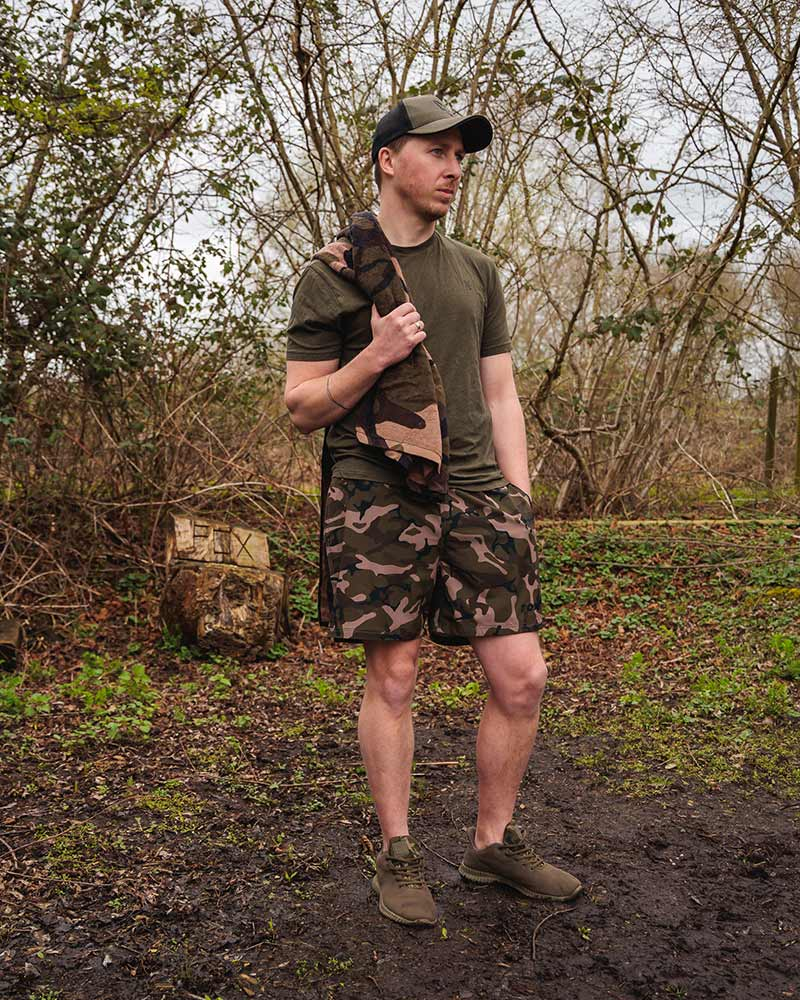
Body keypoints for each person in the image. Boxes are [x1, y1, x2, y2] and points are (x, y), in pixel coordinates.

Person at [283, 94, 582, 926]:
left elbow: (500, 392)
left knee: (522, 677)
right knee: (396, 674)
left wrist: (519, 496)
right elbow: (301, 406)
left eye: (461, 155)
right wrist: (375, 355)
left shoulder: (477, 272)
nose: (455, 168)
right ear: (388, 160)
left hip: (481, 492)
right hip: (378, 489)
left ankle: (492, 844)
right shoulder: (334, 273)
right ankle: (398, 852)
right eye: (437, 151)